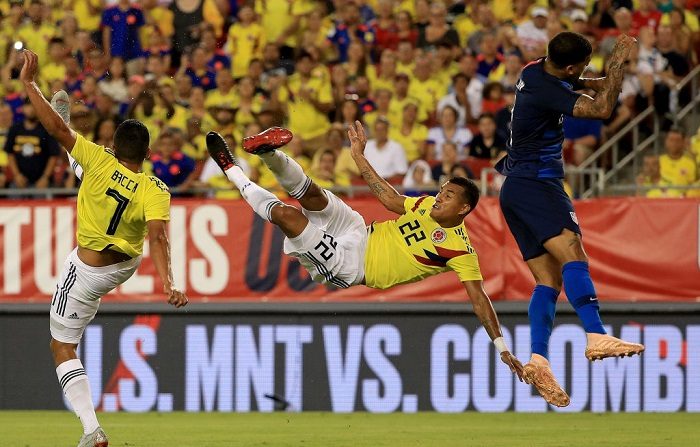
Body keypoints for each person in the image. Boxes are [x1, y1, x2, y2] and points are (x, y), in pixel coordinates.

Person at [205, 123, 526, 392]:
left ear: (464, 209)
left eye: (449, 195)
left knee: (289, 216)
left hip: (350, 265)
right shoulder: (426, 205)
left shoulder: (461, 250)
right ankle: (269, 153)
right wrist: (358, 154)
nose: (440, 195)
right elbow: (388, 197)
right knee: (313, 195)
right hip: (359, 231)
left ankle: (233, 170)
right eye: (442, 190)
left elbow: (479, 299)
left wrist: (502, 348)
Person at [21, 50, 187, 447]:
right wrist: (169, 283)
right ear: (148, 155)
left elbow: (57, 133)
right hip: (125, 262)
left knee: (61, 345)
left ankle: (91, 430)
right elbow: (159, 238)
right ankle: (71, 142)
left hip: (88, 270)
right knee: (83, 164)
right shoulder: (155, 188)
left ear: (113, 144)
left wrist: (29, 85)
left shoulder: (99, 158)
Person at [496, 32, 645, 408]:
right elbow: (601, 109)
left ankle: (538, 359)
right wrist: (617, 63)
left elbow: (590, 85)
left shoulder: (535, 71)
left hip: (515, 186)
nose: (586, 70)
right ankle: (596, 334)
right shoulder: (548, 90)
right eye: (584, 64)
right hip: (537, 183)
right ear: (570, 65)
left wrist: (610, 75)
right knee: (573, 253)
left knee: (548, 279)